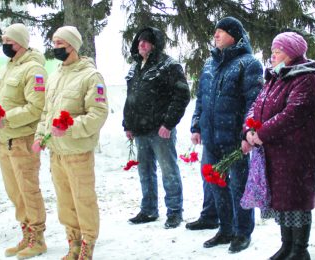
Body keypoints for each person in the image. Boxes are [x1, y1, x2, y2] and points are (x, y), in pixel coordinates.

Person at [32, 25, 108, 260]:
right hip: (57, 153)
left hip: (77, 151)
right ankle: (72, 243)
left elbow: (98, 113)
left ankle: (87, 244)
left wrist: (70, 127)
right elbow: (46, 112)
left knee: (83, 200)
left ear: (72, 45)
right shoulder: (54, 76)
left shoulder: (90, 76)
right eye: (53, 43)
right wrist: (39, 136)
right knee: (65, 202)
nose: (55, 48)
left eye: (59, 44)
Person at [189, 17, 263, 253]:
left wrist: (247, 133)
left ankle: (242, 233)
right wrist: (196, 126)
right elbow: (202, 98)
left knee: (239, 187)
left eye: (222, 31)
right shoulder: (210, 64)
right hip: (211, 138)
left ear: (235, 35)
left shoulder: (248, 64)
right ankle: (225, 229)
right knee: (216, 184)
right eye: (215, 31)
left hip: (234, 140)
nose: (216, 35)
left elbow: (254, 103)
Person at [244, 32, 315, 260]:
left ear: (292, 53)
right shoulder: (276, 76)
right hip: (276, 151)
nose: (272, 55)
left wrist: (262, 134)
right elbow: (256, 106)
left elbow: (292, 114)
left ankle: (300, 250)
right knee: (282, 199)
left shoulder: (306, 78)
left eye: (277, 51)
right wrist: (248, 130)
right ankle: (286, 246)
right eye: (273, 50)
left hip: (297, 152)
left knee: (296, 199)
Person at [0, 23, 48, 259]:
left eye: (8, 41)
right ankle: (26, 233)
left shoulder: (34, 69)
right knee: (15, 192)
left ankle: (37, 238)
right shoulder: (6, 69)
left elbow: (36, 108)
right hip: (4, 141)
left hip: (23, 139)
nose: (4, 45)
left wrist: (6, 119)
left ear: (19, 42)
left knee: (28, 190)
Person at [123, 27, 190, 229]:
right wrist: (128, 124)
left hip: (161, 130)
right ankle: (149, 210)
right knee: (145, 171)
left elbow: (182, 96)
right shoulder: (134, 68)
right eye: (139, 41)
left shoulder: (169, 66)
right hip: (140, 130)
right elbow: (131, 99)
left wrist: (168, 123)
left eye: (147, 41)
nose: (141, 44)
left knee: (168, 171)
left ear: (155, 44)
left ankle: (175, 212)